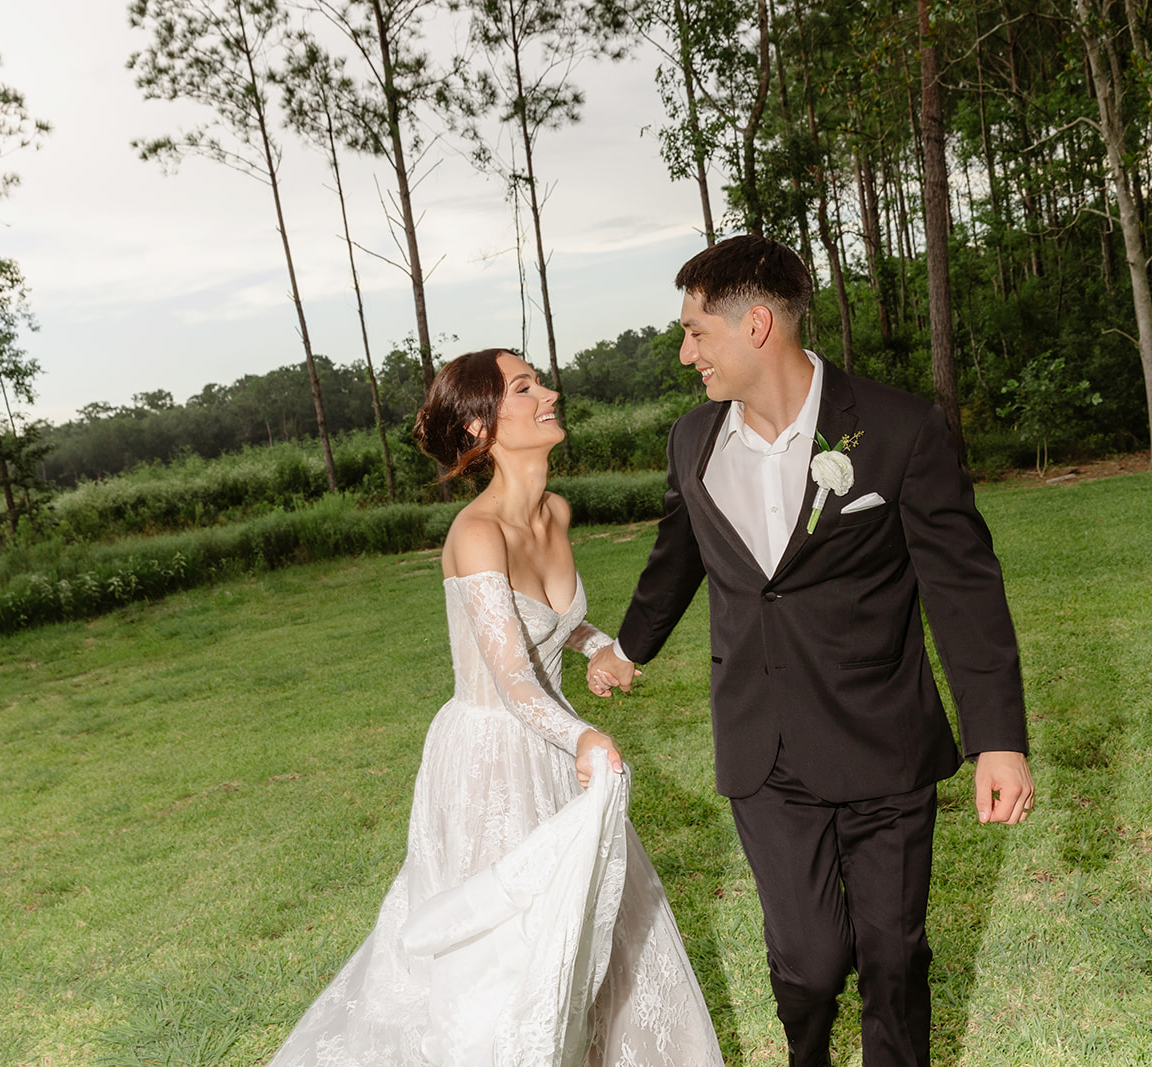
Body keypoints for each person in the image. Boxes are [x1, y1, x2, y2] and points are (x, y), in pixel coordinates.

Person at [587, 236, 1034, 1067]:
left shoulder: (898, 429)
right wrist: (629, 646)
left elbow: (965, 590)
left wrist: (998, 737)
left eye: (696, 333)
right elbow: (675, 556)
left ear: (756, 324)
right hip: (764, 751)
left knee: (894, 955)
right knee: (811, 963)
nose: (686, 354)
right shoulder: (693, 443)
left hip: (883, 740)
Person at [268, 348, 723, 1067]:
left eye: (537, 379)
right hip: (490, 755)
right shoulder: (475, 534)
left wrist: (600, 643)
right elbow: (512, 678)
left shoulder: (556, 512)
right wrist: (582, 736)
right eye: (525, 387)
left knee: (584, 931)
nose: (550, 391)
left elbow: (550, 620)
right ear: (481, 426)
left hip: (551, 739)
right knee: (499, 956)